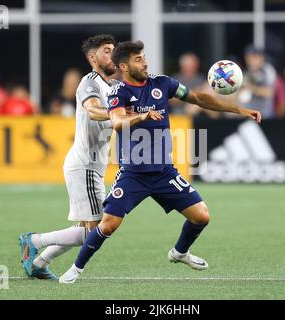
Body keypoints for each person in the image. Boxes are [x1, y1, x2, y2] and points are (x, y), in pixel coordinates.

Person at [59, 40, 261, 284]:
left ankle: (179, 252)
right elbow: (117, 121)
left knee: (201, 216)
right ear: (123, 66)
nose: (144, 62)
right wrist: (142, 115)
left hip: (164, 172)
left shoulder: (162, 83)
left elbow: (197, 98)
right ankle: (76, 269)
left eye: (144, 56)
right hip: (133, 173)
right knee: (108, 224)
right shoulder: (118, 91)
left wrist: (239, 110)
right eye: (137, 59)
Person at [18, 34, 118, 280]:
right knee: (97, 230)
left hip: (93, 165)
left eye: (114, 50)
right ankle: (34, 241)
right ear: (92, 57)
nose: (113, 55)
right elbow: (93, 111)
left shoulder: (114, 87)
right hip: (84, 164)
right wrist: (119, 114)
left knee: (90, 228)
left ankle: (39, 263)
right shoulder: (89, 82)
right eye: (107, 51)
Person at [237, 45, 276, 119]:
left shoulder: (267, 70)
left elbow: (269, 92)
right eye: (249, 57)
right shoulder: (246, 73)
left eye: (254, 57)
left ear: (261, 58)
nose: (251, 60)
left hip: (264, 115)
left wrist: (250, 87)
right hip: (248, 115)